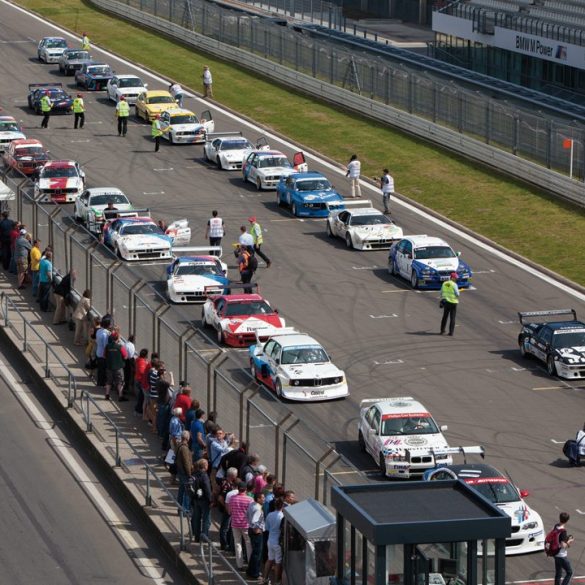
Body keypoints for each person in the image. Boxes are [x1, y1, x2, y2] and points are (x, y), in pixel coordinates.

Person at [228, 481, 253, 570]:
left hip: (235, 524)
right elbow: (251, 513)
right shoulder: (250, 499)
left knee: (237, 543)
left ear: (238, 488)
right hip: (246, 525)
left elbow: (229, 511)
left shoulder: (232, 498)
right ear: (246, 489)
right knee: (248, 543)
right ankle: (250, 564)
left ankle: (239, 565)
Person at [263, 497, 284, 585]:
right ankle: (276, 582)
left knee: (270, 559)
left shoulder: (270, 515)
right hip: (277, 542)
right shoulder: (282, 516)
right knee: (278, 562)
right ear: (282, 506)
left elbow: (267, 528)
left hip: (270, 540)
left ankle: (265, 579)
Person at [190, 458, 212, 542]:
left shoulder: (194, 474)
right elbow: (207, 489)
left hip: (195, 499)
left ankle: (197, 536)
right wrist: (210, 500)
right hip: (204, 501)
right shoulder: (204, 475)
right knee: (206, 519)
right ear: (205, 466)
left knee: (196, 518)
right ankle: (204, 537)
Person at [217, 467, 238, 552]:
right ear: (232, 475)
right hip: (227, 510)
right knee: (225, 527)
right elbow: (220, 498)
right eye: (236, 475)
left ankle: (227, 543)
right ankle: (224, 544)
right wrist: (227, 507)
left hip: (228, 509)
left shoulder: (227, 482)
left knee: (227, 527)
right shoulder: (226, 484)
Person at [105, 330, 128, 401]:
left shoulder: (107, 346)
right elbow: (126, 357)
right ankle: (120, 396)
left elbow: (104, 355)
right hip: (118, 367)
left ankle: (107, 395)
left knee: (109, 381)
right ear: (118, 338)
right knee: (120, 382)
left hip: (109, 367)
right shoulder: (120, 347)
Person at [247, 493, 266, 579]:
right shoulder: (258, 509)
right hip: (256, 533)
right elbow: (255, 521)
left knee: (254, 552)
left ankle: (250, 570)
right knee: (257, 554)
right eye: (262, 498)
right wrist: (257, 529)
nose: (264, 499)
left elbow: (246, 515)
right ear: (258, 499)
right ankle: (255, 573)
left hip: (251, 530)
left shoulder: (252, 504)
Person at [553, 512, 574, 585]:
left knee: (558, 573)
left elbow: (558, 538)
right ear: (567, 520)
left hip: (555, 553)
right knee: (569, 572)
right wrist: (569, 541)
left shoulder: (556, 526)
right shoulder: (563, 531)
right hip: (561, 555)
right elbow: (563, 545)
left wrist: (566, 539)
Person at [175, 430, 192, 513]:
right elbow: (186, 462)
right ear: (187, 438)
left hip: (180, 472)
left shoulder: (179, 445)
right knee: (186, 492)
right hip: (184, 473)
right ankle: (184, 509)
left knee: (181, 491)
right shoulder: (184, 448)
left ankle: (180, 508)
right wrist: (189, 474)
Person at [440, 272, 460, 336]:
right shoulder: (454, 284)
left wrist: (443, 298)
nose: (456, 279)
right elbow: (457, 294)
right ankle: (451, 332)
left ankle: (442, 330)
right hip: (453, 302)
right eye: (455, 278)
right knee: (452, 317)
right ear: (452, 278)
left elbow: (441, 292)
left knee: (445, 317)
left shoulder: (444, 283)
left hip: (446, 302)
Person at [133, 348, 149, 417]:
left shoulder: (138, 359)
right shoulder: (142, 362)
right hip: (140, 381)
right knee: (141, 397)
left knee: (140, 397)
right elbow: (142, 372)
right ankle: (138, 411)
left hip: (137, 379)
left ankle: (138, 410)